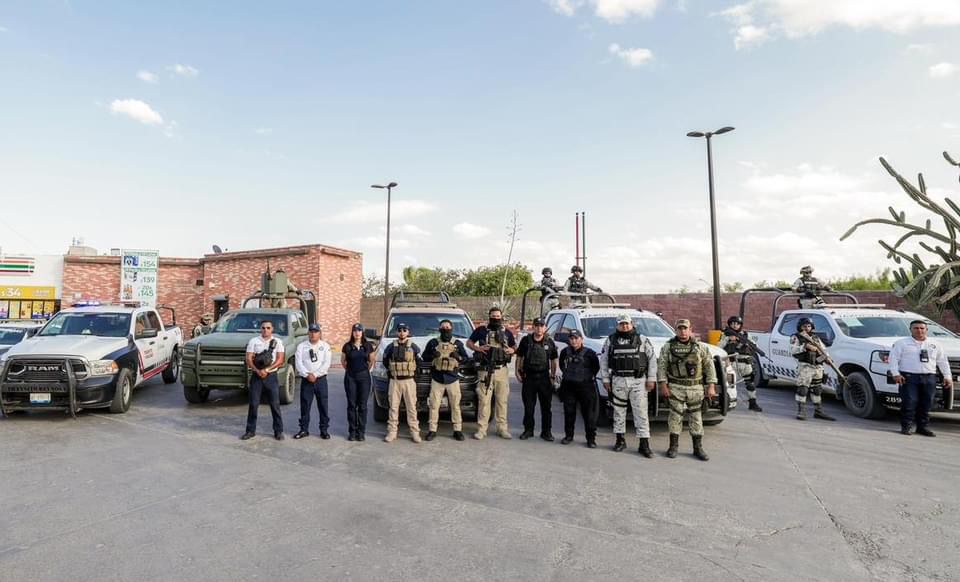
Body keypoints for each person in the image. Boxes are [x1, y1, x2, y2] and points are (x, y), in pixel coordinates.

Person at [657, 319, 716, 461]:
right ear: (676, 330)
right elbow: (662, 367)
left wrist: (711, 386)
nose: (682, 332)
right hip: (676, 387)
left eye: (685, 328)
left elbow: (709, 367)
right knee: (675, 417)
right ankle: (673, 447)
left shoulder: (701, 347)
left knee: (696, 418)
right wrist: (663, 385)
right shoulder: (668, 347)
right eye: (680, 329)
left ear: (690, 329)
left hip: (695, 387)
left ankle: (698, 448)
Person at [600, 313, 658, 457]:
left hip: (638, 381)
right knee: (618, 412)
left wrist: (651, 379)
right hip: (618, 380)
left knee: (641, 413)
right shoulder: (610, 340)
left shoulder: (642, 339)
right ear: (617, 325)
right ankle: (620, 440)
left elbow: (652, 360)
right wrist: (606, 380)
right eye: (621, 324)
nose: (624, 326)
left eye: (627, 323)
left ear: (632, 324)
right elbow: (604, 361)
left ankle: (644, 444)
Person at [888, 320, 952, 436]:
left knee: (926, 403)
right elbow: (893, 359)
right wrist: (896, 374)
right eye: (916, 328)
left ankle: (922, 427)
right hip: (908, 377)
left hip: (929, 377)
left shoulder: (935, 344)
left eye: (922, 328)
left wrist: (947, 376)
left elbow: (942, 361)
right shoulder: (902, 343)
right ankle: (906, 426)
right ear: (911, 330)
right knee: (909, 402)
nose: (919, 331)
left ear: (926, 330)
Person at [467, 307, 517, 440]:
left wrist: (512, 350)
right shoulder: (481, 330)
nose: (495, 318)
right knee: (484, 401)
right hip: (485, 370)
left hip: (502, 370)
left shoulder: (507, 332)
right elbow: (469, 342)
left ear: (501, 317)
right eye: (493, 316)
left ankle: (502, 429)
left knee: (502, 401)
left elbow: (514, 346)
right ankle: (481, 430)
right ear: (489, 316)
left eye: (497, 316)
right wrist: (478, 348)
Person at [421, 319, 469, 441]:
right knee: (434, 405)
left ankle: (457, 430)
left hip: (453, 378)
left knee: (455, 406)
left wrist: (458, 356)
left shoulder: (457, 343)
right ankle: (432, 430)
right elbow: (424, 357)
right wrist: (433, 355)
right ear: (439, 329)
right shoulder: (432, 343)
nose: (445, 330)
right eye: (443, 328)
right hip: (437, 378)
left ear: (451, 329)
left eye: (448, 327)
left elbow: (466, 359)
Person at [515, 317, 559, 441]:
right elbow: (519, 356)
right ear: (533, 327)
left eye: (541, 326)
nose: (539, 328)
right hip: (529, 378)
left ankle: (546, 432)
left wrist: (553, 376)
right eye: (537, 325)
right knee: (529, 407)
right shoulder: (526, 340)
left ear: (545, 328)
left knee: (546, 408)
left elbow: (553, 360)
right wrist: (517, 371)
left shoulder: (549, 342)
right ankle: (528, 430)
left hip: (544, 378)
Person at [241, 320, 285, 441]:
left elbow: (280, 359)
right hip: (256, 376)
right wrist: (257, 370)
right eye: (263, 328)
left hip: (271, 376)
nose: (265, 330)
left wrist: (267, 370)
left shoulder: (278, 342)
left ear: (272, 329)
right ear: (260, 329)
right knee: (253, 404)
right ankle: (250, 431)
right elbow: (248, 358)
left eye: (268, 328)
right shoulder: (254, 341)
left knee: (275, 404)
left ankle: (278, 431)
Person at [559, 329, 601, 447]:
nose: (573, 341)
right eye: (571, 339)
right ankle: (568, 436)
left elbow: (595, 368)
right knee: (569, 412)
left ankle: (591, 439)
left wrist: (584, 377)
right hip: (569, 387)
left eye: (576, 338)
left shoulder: (590, 353)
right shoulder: (564, 352)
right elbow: (562, 366)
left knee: (589, 414)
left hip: (586, 387)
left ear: (581, 339)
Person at [382, 322, 423, 443]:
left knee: (411, 408)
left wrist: (415, 376)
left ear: (408, 332)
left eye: (404, 330)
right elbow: (385, 361)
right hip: (395, 381)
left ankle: (415, 432)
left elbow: (419, 362)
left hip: (409, 381)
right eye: (400, 330)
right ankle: (392, 432)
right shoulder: (391, 346)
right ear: (397, 332)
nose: (402, 332)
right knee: (393, 408)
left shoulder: (413, 346)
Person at [789, 317, 836, 422]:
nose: (807, 328)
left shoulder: (815, 337)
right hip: (805, 366)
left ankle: (818, 411)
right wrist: (805, 346)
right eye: (804, 326)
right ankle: (801, 411)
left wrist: (827, 358)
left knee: (817, 389)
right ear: (800, 327)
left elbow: (822, 349)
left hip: (817, 366)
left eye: (809, 326)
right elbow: (793, 350)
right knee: (803, 389)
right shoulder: (796, 337)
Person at [293, 323, 332, 440]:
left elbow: (326, 363)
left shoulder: (325, 346)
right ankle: (304, 429)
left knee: (323, 406)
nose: (313, 334)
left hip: (320, 380)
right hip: (306, 380)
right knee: (305, 406)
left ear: (319, 333)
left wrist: (315, 374)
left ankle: (324, 430)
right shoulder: (301, 346)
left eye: (315, 331)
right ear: (308, 333)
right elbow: (298, 363)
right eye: (311, 331)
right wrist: (306, 374)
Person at [719, 316, 762, 412]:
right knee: (729, 384)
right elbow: (719, 347)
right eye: (732, 323)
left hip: (746, 363)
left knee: (750, 384)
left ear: (740, 325)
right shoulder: (725, 335)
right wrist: (728, 340)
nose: (735, 325)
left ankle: (752, 403)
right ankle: (726, 403)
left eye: (737, 324)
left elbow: (754, 345)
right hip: (733, 363)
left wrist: (745, 343)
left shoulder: (745, 335)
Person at [341, 323, 376, 441]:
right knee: (351, 405)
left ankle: (361, 432)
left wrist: (364, 370)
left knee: (362, 406)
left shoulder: (368, 346)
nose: (357, 333)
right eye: (355, 330)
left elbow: (371, 361)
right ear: (352, 332)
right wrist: (351, 371)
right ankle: (352, 431)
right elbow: (343, 361)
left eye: (359, 330)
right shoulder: (347, 346)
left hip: (364, 378)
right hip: (350, 377)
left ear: (362, 332)